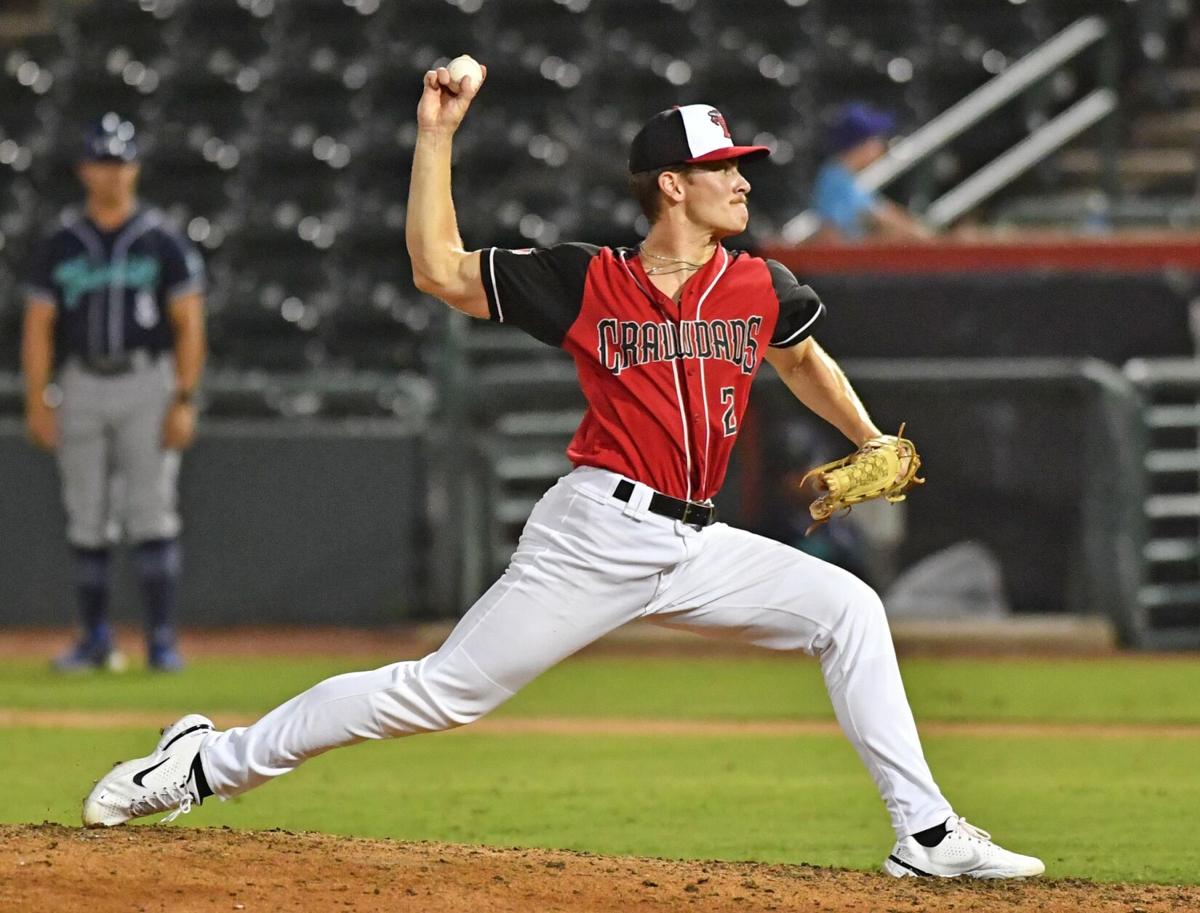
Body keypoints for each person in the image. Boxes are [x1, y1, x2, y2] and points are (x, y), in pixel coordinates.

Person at [81, 71, 1042, 880]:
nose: (743, 183)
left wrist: (868, 430)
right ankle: (204, 764)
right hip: (597, 531)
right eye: (724, 169)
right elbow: (437, 267)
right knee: (437, 694)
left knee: (850, 612)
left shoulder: (757, 281)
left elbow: (799, 356)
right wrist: (435, 136)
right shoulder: (588, 279)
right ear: (671, 185)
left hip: (693, 540)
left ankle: (925, 834)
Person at [22, 113, 207, 672]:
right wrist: (37, 398)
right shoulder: (61, 243)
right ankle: (96, 640)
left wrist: (183, 398)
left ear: (136, 168)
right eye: (103, 162)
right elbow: (38, 326)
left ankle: (160, 641)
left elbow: (190, 323)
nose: (113, 174)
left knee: (152, 512)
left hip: (147, 379)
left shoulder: (161, 240)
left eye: (122, 162)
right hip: (79, 381)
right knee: (86, 516)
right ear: (85, 169)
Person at [810, 103, 934, 242]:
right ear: (861, 144)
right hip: (842, 259)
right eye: (876, 141)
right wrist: (928, 238)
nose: (880, 148)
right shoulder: (836, 178)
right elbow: (882, 216)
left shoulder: (838, 174)